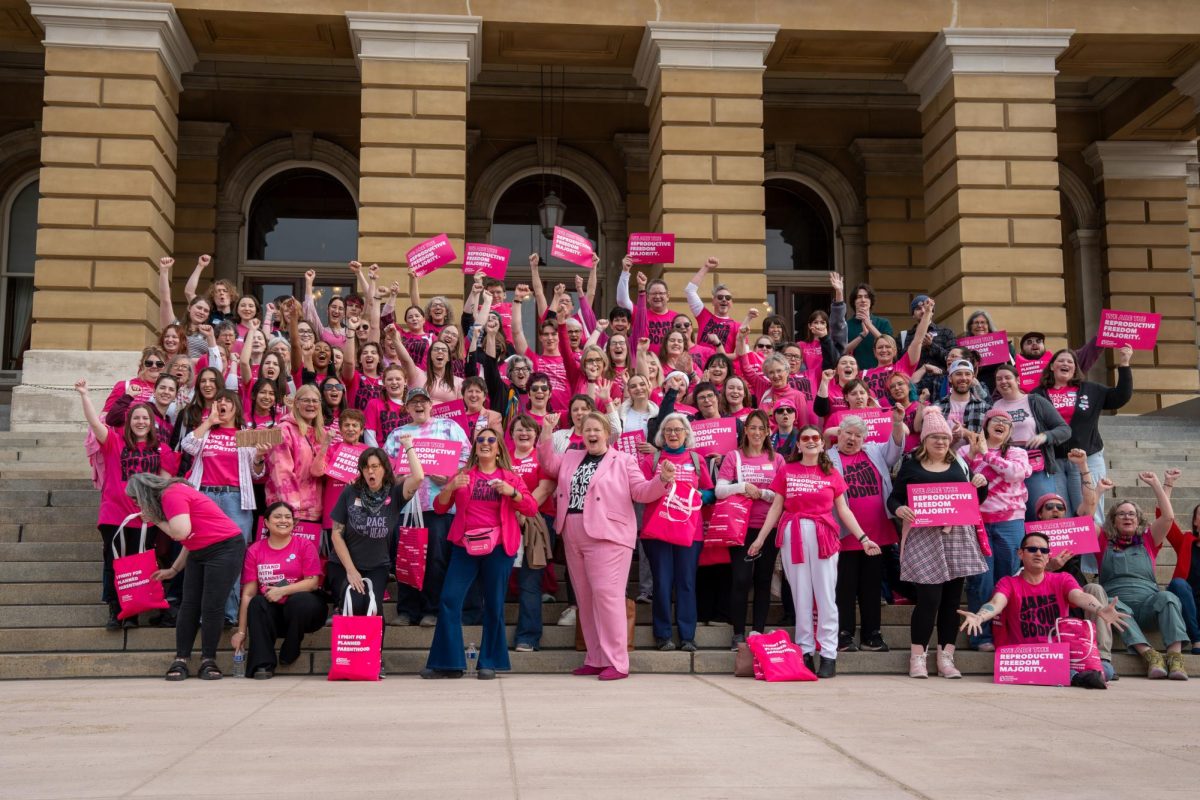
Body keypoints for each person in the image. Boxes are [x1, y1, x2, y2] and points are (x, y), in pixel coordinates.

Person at [540, 411, 674, 679]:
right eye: (586, 429)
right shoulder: (570, 456)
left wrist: (662, 480)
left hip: (609, 536)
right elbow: (547, 464)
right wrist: (546, 431)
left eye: (596, 430)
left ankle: (617, 662)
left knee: (608, 597)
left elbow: (641, 492)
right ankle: (596, 657)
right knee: (586, 599)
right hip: (573, 532)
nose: (591, 434)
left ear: (607, 434)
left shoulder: (624, 460)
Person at [747, 424, 880, 678]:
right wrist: (761, 539)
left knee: (826, 595)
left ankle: (829, 653)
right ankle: (805, 651)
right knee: (801, 595)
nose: (810, 441)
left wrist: (863, 538)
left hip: (823, 534)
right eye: (804, 438)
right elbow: (776, 508)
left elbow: (844, 510)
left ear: (822, 444)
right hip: (793, 533)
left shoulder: (831, 472)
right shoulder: (787, 470)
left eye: (815, 438)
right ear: (798, 445)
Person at [423, 427, 539, 680]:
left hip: (498, 548)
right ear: (475, 447)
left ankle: (490, 661)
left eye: (491, 440)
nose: (485, 443)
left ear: (498, 449)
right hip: (465, 547)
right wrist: (449, 487)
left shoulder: (510, 477)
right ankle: (448, 663)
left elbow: (531, 508)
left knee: (494, 603)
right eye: (481, 440)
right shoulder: (463, 475)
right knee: (450, 599)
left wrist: (513, 493)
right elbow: (440, 509)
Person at [957, 530, 1129, 689]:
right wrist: (980, 616)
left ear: (1048, 557)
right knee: (1092, 672)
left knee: (1107, 668)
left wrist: (1099, 608)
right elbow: (996, 603)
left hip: (1059, 654)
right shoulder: (1008, 583)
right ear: (1020, 554)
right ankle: (1078, 677)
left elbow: (1079, 596)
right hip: (1028, 658)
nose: (1038, 553)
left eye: (1044, 551)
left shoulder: (1062, 579)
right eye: (1032, 549)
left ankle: (1075, 676)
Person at [888, 407, 989, 679]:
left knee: (952, 600)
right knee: (929, 599)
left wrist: (981, 485)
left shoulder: (960, 464)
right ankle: (918, 657)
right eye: (935, 438)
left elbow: (973, 503)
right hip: (924, 537)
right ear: (925, 440)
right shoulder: (911, 466)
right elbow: (894, 499)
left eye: (944, 438)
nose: (941, 442)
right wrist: (899, 510)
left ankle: (946, 656)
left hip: (957, 536)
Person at [77, 380, 177, 630]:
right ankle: (116, 609)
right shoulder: (114, 441)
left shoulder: (161, 449)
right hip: (114, 516)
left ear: (152, 423)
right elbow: (95, 423)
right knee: (115, 562)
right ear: (129, 421)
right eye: (136, 418)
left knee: (140, 564)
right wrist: (85, 395)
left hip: (144, 518)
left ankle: (133, 611)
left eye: (145, 418)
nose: (141, 422)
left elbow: (166, 486)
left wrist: (154, 512)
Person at [128, 474, 247, 681]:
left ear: (143, 493)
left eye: (135, 499)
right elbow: (191, 538)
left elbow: (181, 533)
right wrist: (174, 570)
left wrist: (155, 519)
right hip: (200, 549)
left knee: (212, 605)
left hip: (225, 548)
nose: (136, 504)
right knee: (189, 604)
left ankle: (208, 660)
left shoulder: (172, 494)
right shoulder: (172, 494)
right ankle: (181, 658)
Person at [383, 387, 470, 627]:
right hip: (406, 507)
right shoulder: (397, 434)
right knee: (406, 557)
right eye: (413, 402)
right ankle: (407, 611)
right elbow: (386, 467)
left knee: (436, 559)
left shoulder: (450, 427)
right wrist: (397, 478)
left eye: (423, 401)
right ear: (407, 407)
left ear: (431, 404)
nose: (419, 406)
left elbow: (467, 459)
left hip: (438, 506)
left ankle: (432, 609)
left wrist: (450, 475)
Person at [179, 389, 268, 625]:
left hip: (235, 499)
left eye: (229, 401)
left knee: (233, 557)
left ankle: (229, 614)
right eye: (219, 401)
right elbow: (187, 447)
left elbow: (257, 472)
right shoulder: (206, 432)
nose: (223, 404)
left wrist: (259, 456)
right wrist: (209, 421)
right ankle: (204, 613)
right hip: (205, 498)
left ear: (237, 408)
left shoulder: (245, 434)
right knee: (203, 554)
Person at [328, 445, 424, 647]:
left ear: (384, 468)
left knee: (372, 606)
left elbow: (418, 478)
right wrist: (351, 570)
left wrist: (408, 447)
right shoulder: (350, 492)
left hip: (377, 566)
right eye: (366, 467)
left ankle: (373, 658)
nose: (370, 471)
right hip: (344, 564)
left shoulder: (396, 494)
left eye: (375, 466)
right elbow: (336, 533)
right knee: (353, 602)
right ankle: (349, 656)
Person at [826, 408, 905, 653]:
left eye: (858, 435)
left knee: (872, 587)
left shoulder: (874, 450)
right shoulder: (827, 458)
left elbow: (896, 447)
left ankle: (872, 635)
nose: (852, 439)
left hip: (877, 533)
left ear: (864, 438)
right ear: (838, 434)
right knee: (845, 587)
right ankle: (844, 634)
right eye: (848, 434)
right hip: (845, 535)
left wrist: (898, 422)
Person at [1097, 474, 1190, 680]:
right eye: (1121, 514)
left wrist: (1158, 484)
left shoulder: (1149, 540)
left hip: (1149, 604)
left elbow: (1167, 518)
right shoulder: (1104, 541)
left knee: (1169, 598)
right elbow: (1085, 518)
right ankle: (1149, 655)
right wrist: (1098, 492)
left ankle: (1175, 657)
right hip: (1119, 605)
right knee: (1114, 606)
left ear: (1138, 520)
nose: (1127, 517)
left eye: (1132, 514)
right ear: (1113, 520)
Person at [1033, 345, 1132, 527]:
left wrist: (1124, 363)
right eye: (1060, 360)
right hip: (1053, 461)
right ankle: (1068, 556)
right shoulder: (1037, 395)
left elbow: (1120, 397)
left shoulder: (1091, 390)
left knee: (1090, 513)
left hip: (1087, 460)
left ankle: (1090, 556)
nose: (1065, 364)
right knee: (1060, 513)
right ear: (1052, 366)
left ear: (1075, 368)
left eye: (1070, 361)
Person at [958, 410, 1031, 651]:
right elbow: (957, 477)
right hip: (975, 522)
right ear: (986, 425)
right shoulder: (965, 452)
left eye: (1006, 423)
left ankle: (1007, 632)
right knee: (981, 580)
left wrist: (986, 455)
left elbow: (1015, 473)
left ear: (1010, 432)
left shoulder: (1017, 452)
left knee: (1008, 578)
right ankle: (982, 636)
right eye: (996, 421)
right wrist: (974, 453)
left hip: (1010, 523)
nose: (1001, 425)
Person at [642, 413, 714, 652]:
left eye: (678, 430)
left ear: (686, 433)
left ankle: (687, 637)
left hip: (689, 533)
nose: (673, 434)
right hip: (658, 531)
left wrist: (693, 496)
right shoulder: (652, 460)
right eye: (668, 430)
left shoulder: (696, 459)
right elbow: (640, 490)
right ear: (661, 435)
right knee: (662, 583)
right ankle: (663, 636)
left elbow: (710, 493)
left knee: (686, 583)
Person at [232, 502, 326, 679]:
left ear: (294, 522)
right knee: (257, 603)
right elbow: (248, 594)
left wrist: (282, 591)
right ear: (266, 522)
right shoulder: (255, 550)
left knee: (300, 600)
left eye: (288, 517)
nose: (284, 520)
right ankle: (262, 664)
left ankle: (292, 645)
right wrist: (241, 632)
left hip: (305, 613)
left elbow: (312, 583)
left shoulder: (304, 545)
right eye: (277, 516)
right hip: (274, 612)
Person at [718, 410, 786, 650]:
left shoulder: (777, 459)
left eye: (761, 428)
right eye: (752, 427)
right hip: (740, 528)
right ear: (745, 430)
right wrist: (742, 486)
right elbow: (719, 490)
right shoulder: (733, 457)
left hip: (767, 528)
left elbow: (783, 495)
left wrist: (764, 493)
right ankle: (738, 633)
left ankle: (757, 630)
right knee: (741, 579)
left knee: (763, 579)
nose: (757, 432)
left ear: (768, 432)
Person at [988, 363, 1071, 520]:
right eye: (999, 379)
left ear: (1018, 380)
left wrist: (1045, 436)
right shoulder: (995, 406)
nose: (1003, 381)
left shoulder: (1035, 401)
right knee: (1014, 513)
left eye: (1007, 377)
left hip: (1035, 462)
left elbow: (1065, 430)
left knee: (1039, 511)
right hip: (1007, 463)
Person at [934, 359, 991, 450]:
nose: (963, 378)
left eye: (967, 374)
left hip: (974, 461)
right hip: (944, 459)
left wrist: (964, 433)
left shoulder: (984, 408)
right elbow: (930, 439)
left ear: (973, 378)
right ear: (950, 378)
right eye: (958, 374)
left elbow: (990, 441)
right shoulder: (937, 407)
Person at [844, 283, 895, 370]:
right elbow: (842, 352)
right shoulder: (846, 326)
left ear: (871, 301)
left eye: (866, 297)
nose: (863, 300)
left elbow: (890, 346)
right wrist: (862, 335)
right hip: (855, 376)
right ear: (854, 301)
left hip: (880, 373)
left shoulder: (883, 323)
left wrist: (869, 325)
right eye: (859, 297)